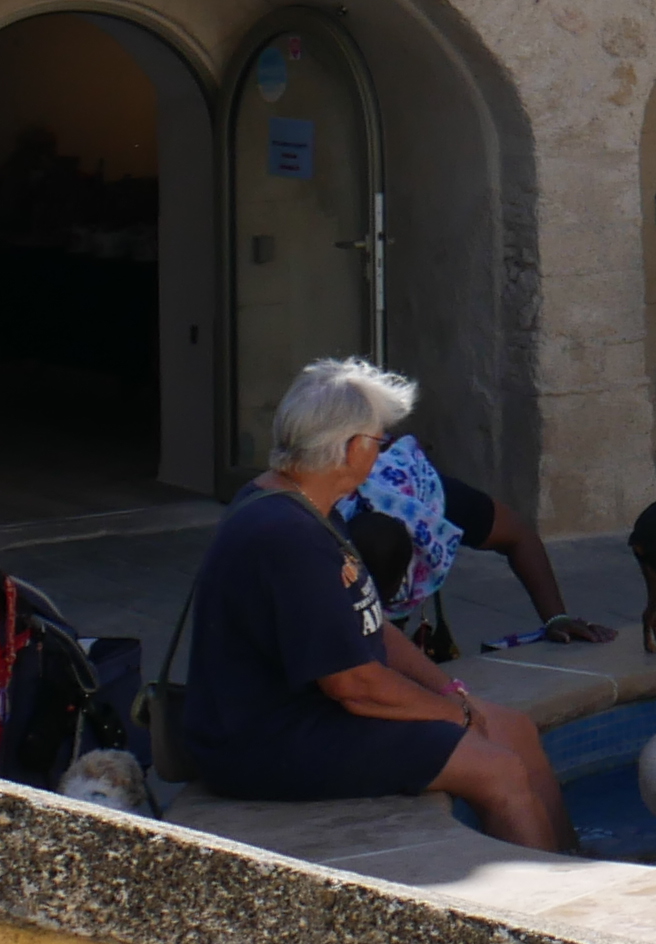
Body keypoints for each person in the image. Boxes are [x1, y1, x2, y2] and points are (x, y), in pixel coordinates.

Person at [179, 356, 575, 850]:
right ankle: (540, 915)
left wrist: (452, 693)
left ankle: (572, 864)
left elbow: (369, 623)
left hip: (306, 715)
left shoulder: (305, 504)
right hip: (266, 742)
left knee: (512, 729)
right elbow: (356, 685)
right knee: (498, 770)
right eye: (378, 441)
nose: (382, 451)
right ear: (350, 448)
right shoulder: (288, 534)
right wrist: (454, 717)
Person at [335, 425, 610, 648]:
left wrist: (556, 618)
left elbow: (519, 537)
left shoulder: (423, 498)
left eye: (392, 604)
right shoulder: (307, 524)